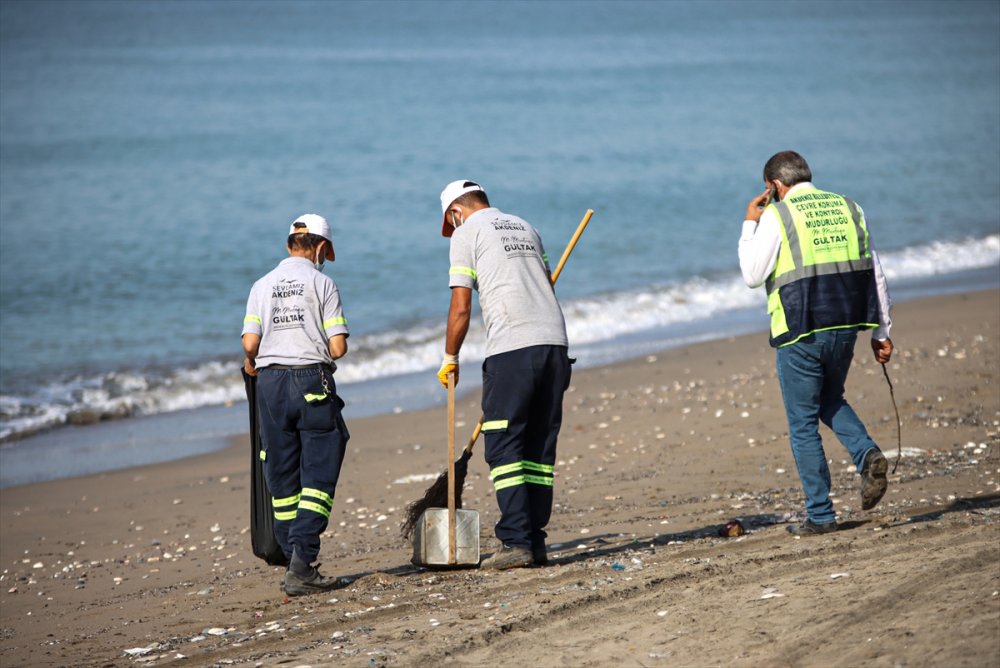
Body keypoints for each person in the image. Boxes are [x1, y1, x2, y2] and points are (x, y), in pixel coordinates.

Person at [738, 151, 894, 536]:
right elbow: (874, 270)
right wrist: (882, 331)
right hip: (846, 325)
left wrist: (749, 223)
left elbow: (752, 275)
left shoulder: (777, 215)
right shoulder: (850, 208)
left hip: (801, 330)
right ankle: (867, 454)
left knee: (803, 423)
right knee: (830, 398)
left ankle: (821, 515)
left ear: (774, 186)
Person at [437, 180, 572, 568]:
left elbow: (461, 306)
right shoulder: (527, 226)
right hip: (555, 345)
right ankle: (535, 540)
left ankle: (516, 543)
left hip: (512, 348)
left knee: (503, 445)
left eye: (451, 221)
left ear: (456, 212)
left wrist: (450, 356)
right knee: (538, 449)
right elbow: (543, 284)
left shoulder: (466, 233)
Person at [242, 213, 351, 594]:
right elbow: (338, 347)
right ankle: (302, 562)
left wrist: (255, 361)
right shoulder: (323, 283)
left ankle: (291, 557)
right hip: (310, 381)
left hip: (270, 384)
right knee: (320, 468)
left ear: (290, 245)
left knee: (283, 472)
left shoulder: (261, 285)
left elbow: (250, 344)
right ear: (320, 247)